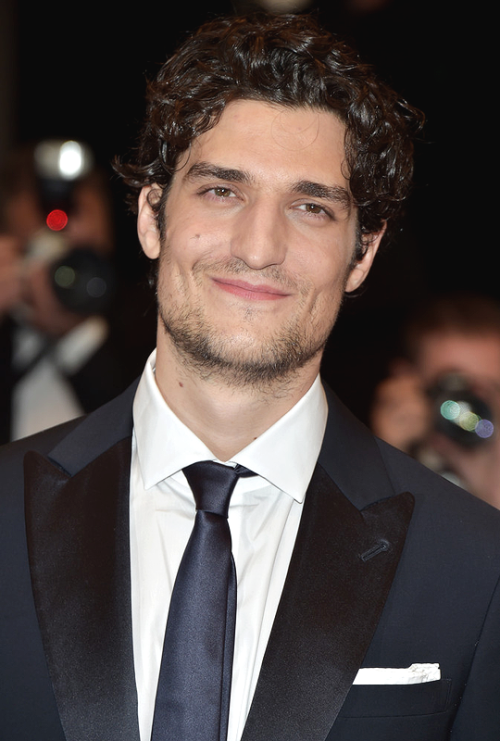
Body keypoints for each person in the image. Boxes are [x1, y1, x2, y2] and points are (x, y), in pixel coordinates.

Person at [1, 13, 499, 741]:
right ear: (150, 216)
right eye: (221, 192)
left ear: (361, 255)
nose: (260, 247)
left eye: (310, 206)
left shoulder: (474, 563)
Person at [370, 293, 500, 508]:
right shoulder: (376, 466)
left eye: (491, 389)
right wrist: (386, 454)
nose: (472, 405)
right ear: (405, 381)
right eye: (457, 385)